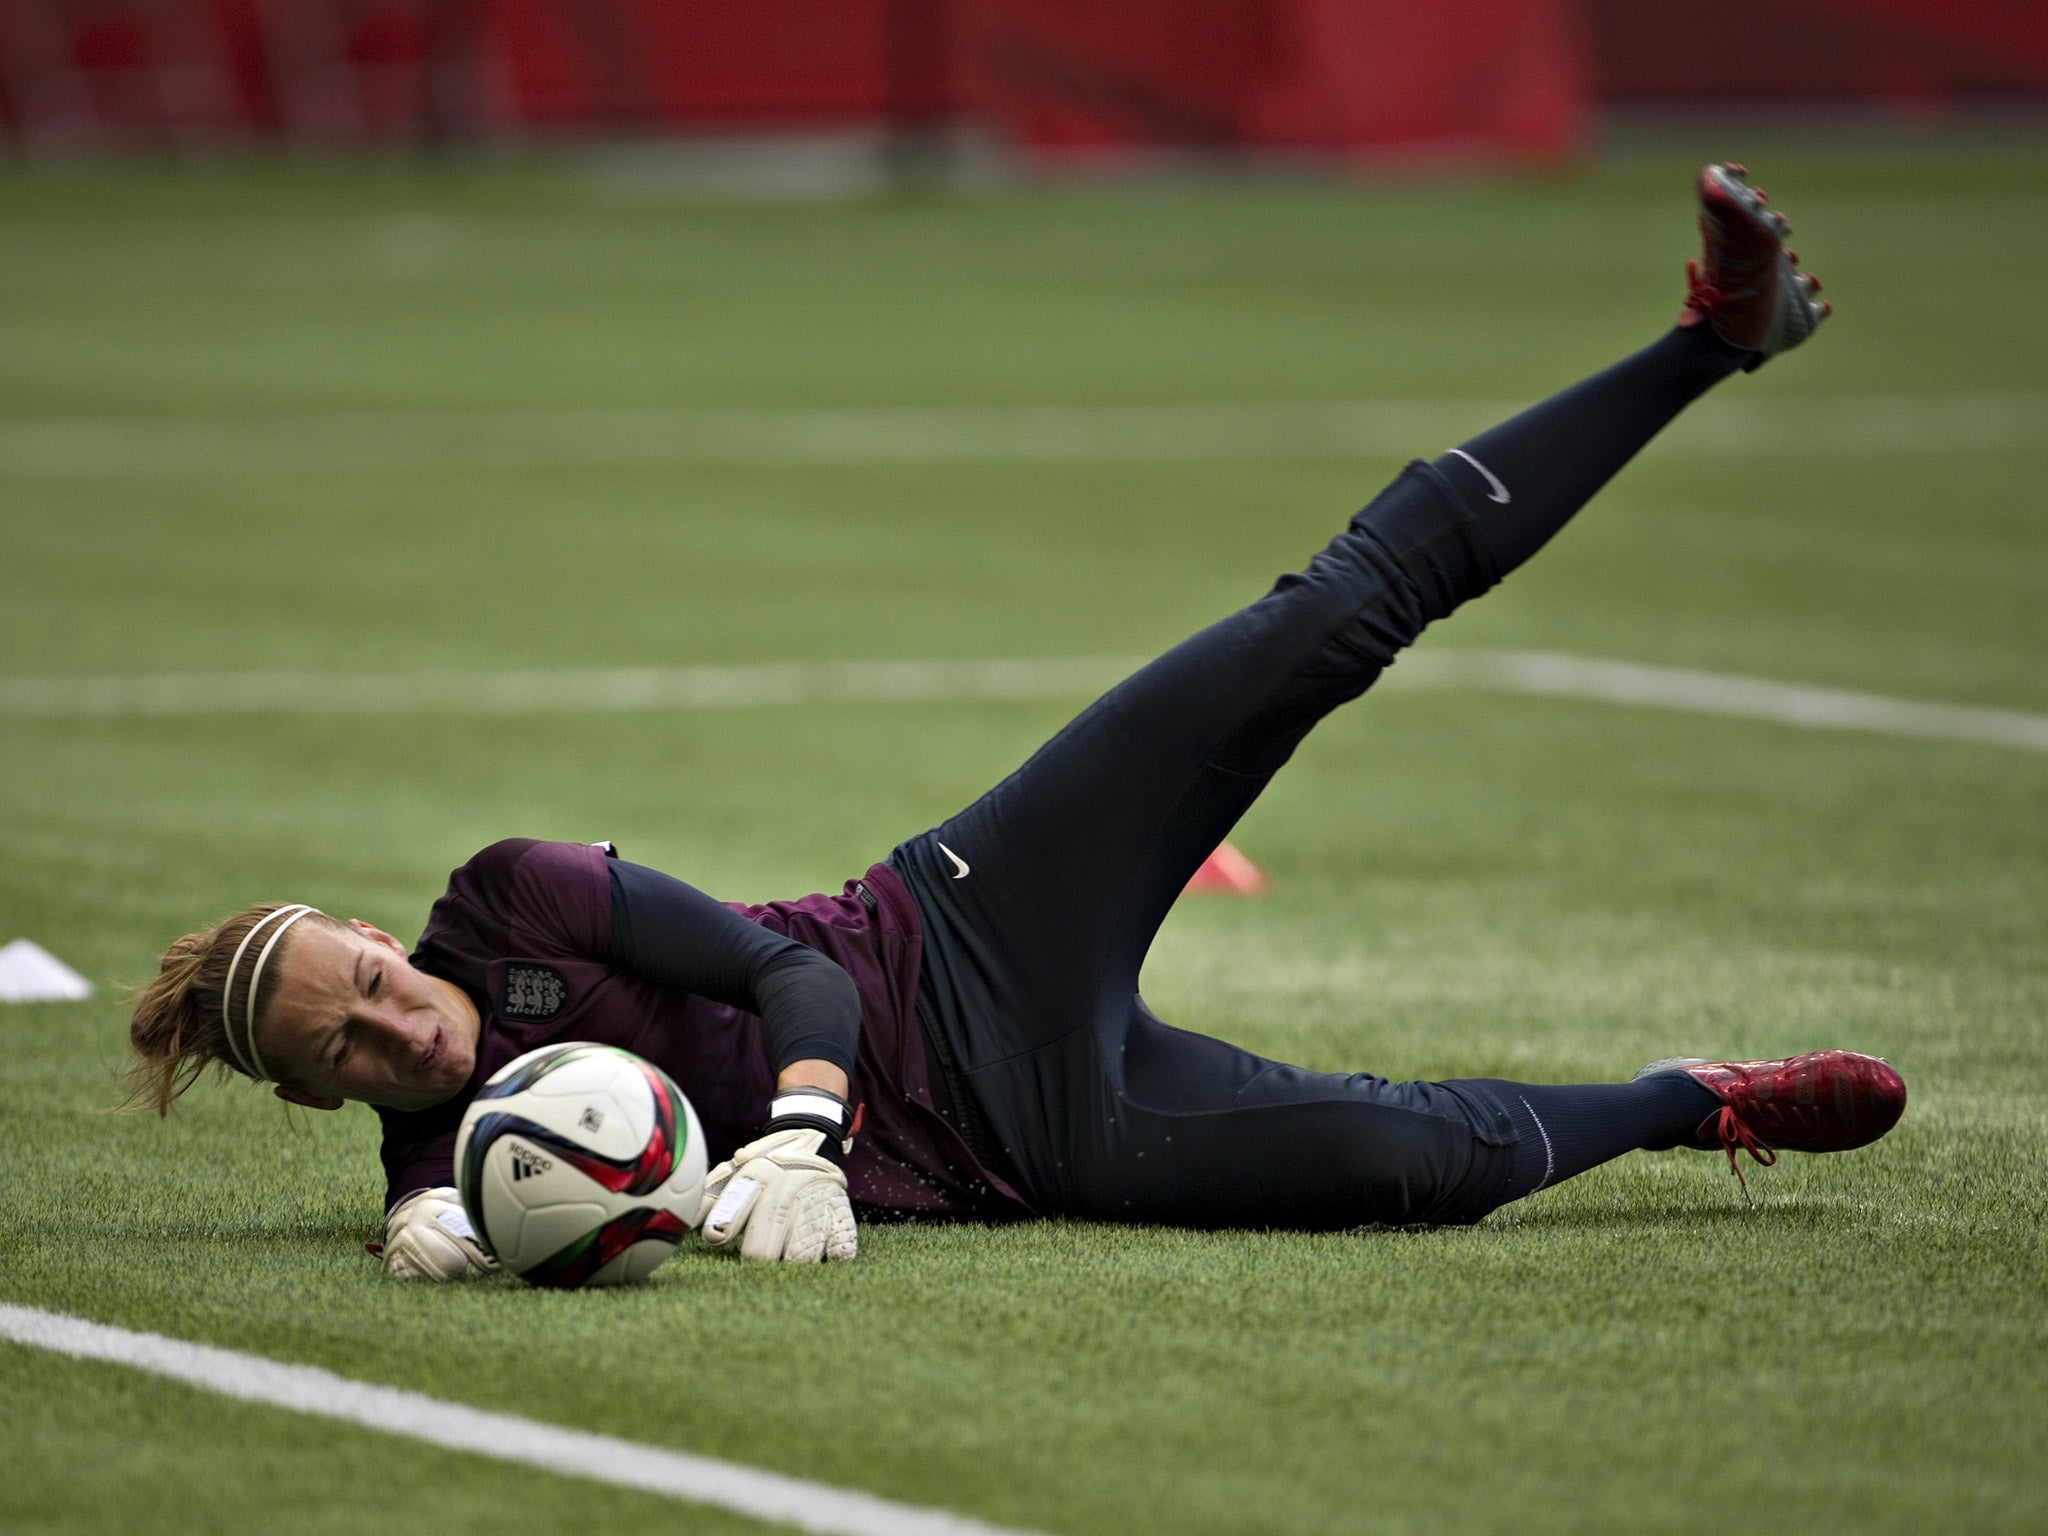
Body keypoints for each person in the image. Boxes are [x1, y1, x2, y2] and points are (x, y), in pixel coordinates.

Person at [123, 165, 1905, 1278]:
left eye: (364, 986)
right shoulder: (448, 1169)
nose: (395, 1030)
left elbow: (781, 974)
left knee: (1325, 618)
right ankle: (1696, 1104)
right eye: (341, 1053)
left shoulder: (507, 904)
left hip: (963, 917)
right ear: (310, 1098)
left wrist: (806, 1126)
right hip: (1027, 1134)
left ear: (372, 933)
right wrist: (423, 1233)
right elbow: (464, 1213)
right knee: (1405, 1163)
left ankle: (1715, 336)